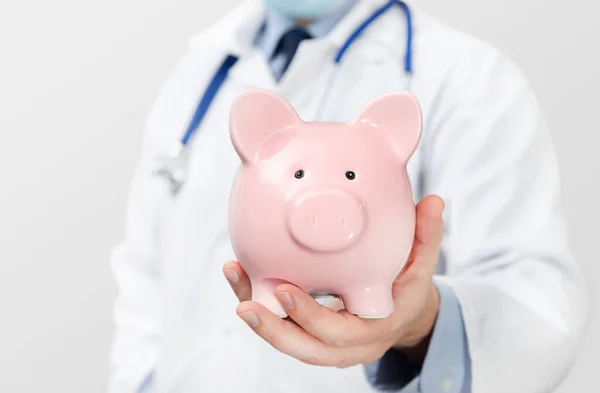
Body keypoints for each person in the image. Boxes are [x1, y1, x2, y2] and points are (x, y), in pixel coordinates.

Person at [108, 0, 589, 392]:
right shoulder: (202, 69)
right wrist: (143, 379)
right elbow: (145, 268)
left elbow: (538, 304)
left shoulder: (468, 78)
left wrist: (419, 321)